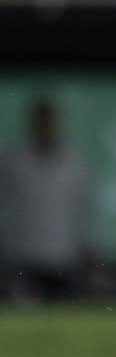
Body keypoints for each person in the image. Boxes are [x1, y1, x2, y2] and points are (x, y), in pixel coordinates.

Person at [0, 100, 94, 301]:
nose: (45, 125)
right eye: (41, 119)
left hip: (63, 256)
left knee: (65, 315)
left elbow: (84, 208)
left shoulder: (73, 161)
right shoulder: (14, 160)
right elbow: (4, 205)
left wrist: (88, 246)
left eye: (49, 119)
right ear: (33, 122)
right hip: (23, 254)